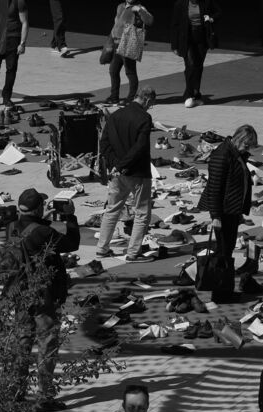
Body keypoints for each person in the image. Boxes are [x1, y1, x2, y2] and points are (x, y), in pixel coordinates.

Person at [7, 187, 80, 412]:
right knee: (47, 344)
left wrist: (42, 220)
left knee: (22, 342)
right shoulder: (44, 232)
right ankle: (44, 396)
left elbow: (30, 232)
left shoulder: (11, 227)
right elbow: (72, 243)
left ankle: (16, 391)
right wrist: (70, 217)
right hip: (43, 296)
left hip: (21, 293)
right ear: (39, 208)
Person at [96, 85, 155, 263]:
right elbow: (140, 147)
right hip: (137, 172)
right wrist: (123, 165)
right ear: (147, 99)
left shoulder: (116, 115)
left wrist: (115, 165)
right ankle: (133, 253)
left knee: (112, 209)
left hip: (117, 173)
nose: (150, 107)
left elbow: (104, 143)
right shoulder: (144, 117)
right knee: (142, 213)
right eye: (151, 104)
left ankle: (102, 248)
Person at [197, 124, 257, 275]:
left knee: (227, 247)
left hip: (231, 208)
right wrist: (216, 216)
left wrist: (239, 210)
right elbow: (214, 188)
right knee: (223, 248)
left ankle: (222, 278)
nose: (247, 149)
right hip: (223, 210)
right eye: (246, 145)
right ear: (239, 139)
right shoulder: (223, 155)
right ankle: (219, 279)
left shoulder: (235, 153)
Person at [170, 0, 222, 108]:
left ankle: (196, 94)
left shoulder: (206, 2)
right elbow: (175, 25)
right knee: (190, 65)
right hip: (187, 39)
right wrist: (174, 45)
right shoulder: (180, 3)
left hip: (202, 38)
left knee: (198, 66)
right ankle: (189, 96)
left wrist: (211, 18)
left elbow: (218, 12)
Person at [107, 1, 154, 104]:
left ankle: (131, 98)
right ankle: (114, 97)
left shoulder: (139, 7)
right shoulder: (120, 6)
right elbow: (115, 25)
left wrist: (140, 10)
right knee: (113, 70)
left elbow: (150, 21)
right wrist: (110, 42)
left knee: (130, 72)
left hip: (128, 44)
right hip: (117, 44)